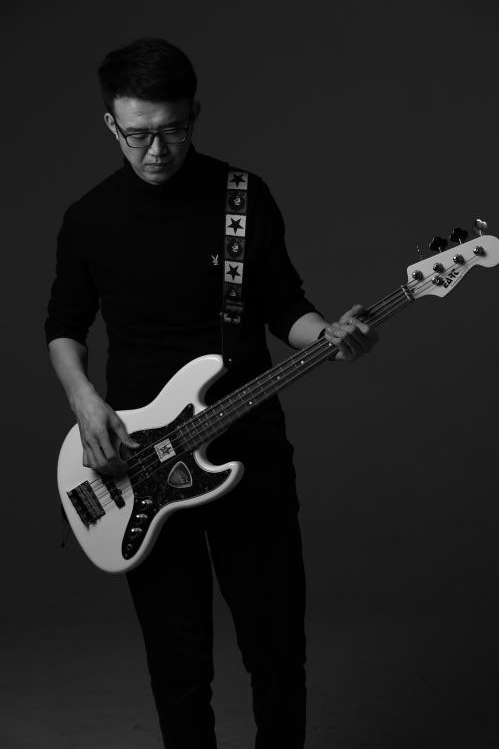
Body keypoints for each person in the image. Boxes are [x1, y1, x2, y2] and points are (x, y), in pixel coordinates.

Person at [45, 37, 377, 749]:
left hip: (247, 442)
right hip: (137, 461)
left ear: (194, 114)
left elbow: (283, 303)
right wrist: (84, 399)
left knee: (276, 645)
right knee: (178, 659)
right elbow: (64, 326)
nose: (155, 150)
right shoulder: (88, 218)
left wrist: (327, 334)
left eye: (172, 131)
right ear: (110, 124)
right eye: (136, 134)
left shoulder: (242, 197)